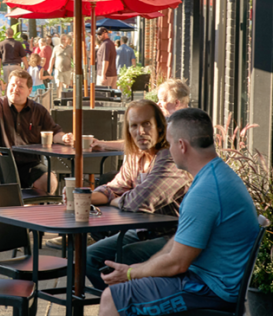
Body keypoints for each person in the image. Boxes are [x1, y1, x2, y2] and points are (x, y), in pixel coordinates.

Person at [99, 108, 260, 316]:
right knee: (124, 288)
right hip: (206, 279)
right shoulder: (214, 174)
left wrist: (131, 272)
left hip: (211, 290)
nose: (168, 149)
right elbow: (178, 242)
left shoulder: (206, 191)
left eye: (170, 142)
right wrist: (141, 270)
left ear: (182, 145)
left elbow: (177, 263)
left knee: (112, 298)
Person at [76, 100, 190, 289]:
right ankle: (119, 303)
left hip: (173, 236)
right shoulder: (135, 155)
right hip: (142, 231)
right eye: (134, 126)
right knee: (88, 258)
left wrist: (115, 200)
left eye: (146, 124)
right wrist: (84, 197)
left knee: (126, 255)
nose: (141, 131)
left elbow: (141, 201)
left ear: (160, 128)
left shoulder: (170, 157)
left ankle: (128, 302)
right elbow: (115, 186)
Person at [0, 69, 73, 194]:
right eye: (12, 85)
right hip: (0, 161)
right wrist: (1, 159)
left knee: (49, 182)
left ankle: (29, 210)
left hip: (29, 163)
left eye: (20, 86)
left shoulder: (38, 110)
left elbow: (54, 132)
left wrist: (64, 138)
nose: (15, 89)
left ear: (29, 91)